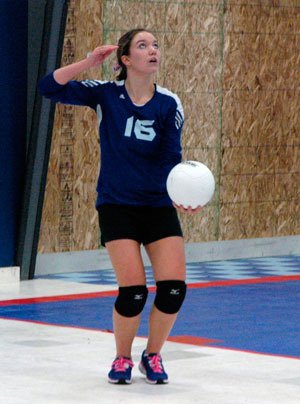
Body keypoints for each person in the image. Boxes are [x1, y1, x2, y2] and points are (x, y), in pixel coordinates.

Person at [39, 28, 201, 385]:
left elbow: (172, 159)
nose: (153, 50)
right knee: (134, 293)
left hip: (157, 206)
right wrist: (88, 62)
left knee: (174, 288)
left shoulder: (169, 103)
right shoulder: (106, 95)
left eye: (156, 44)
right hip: (117, 205)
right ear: (126, 59)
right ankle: (122, 358)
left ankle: (153, 355)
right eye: (143, 46)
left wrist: (183, 196)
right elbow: (48, 87)